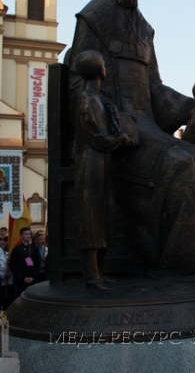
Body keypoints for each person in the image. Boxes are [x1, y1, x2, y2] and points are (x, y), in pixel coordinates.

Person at [66, 0, 195, 285]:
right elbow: (77, 78)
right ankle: (186, 264)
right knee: (182, 164)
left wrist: (192, 107)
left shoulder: (144, 29)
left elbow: (156, 89)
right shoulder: (94, 17)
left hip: (145, 126)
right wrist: (108, 117)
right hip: (117, 130)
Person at [73, 50, 133, 290]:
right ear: (100, 70)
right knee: (92, 218)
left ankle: (100, 270)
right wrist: (123, 139)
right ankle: (92, 275)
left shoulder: (98, 98)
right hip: (91, 163)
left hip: (103, 162)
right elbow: (99, 138)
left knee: (106, 216)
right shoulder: (87, 100)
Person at [9, 226, 41, 301]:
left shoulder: (34, 248)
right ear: (21, 236)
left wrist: (33, 277)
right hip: (21, 280)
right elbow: (13, 266)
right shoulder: (16, 250)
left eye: (29, 234)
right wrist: (23, 278)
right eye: (26, 234)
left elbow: (38, 263)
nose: (28, 236)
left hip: (33, 279)